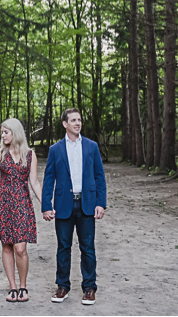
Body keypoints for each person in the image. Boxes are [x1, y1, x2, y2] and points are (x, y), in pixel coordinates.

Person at [41, 108, 107, 305]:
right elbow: (48, 179)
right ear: (65, 124)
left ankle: (89, 288)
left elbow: (99, 176)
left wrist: (100, 203)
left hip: (87, 204)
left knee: (88, 248)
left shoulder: (91, 147)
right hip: (63, 205)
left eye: (79, 120)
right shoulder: (55, 150)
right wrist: (46, 205)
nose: (78, 123)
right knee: (63, 247)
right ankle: (62, 286)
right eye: (73, 120)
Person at [0, 117, 42, 303]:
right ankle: (12, 287)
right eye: (2, 132)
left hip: (22, 203)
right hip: (3, 203)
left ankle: (23, 286)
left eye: (6, 132)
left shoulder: (30, 154)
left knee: (20, 248)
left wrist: (45, 204)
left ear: (15, 132)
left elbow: (34, 182)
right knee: (6, 246)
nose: (3, 135)